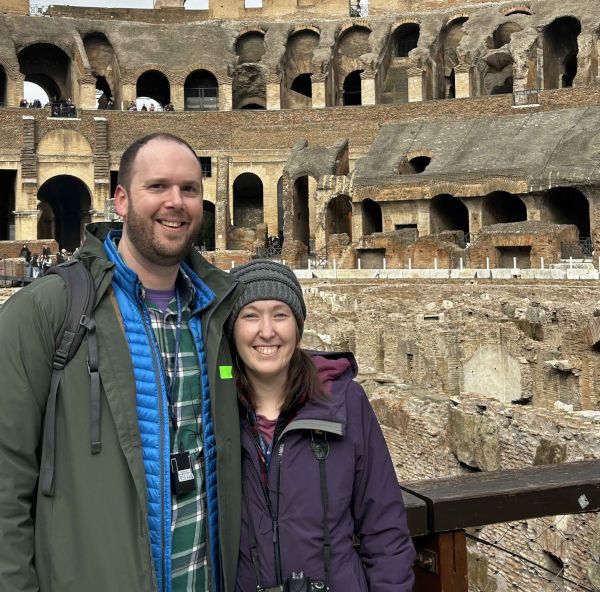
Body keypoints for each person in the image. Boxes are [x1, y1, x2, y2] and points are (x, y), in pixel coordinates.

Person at [0, 132, 243, 592]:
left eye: (189, 189)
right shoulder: (46, 310)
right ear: (121, 201)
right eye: (158, 187)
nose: (176, 202)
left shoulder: (220, 313)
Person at [226, 259, 416, 592]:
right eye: (250, 315)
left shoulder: (345, 402)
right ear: (232, 328)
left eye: (281, 314)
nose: (267, 330)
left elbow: (385, 527)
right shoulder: (213, 408)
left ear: (297, 326)